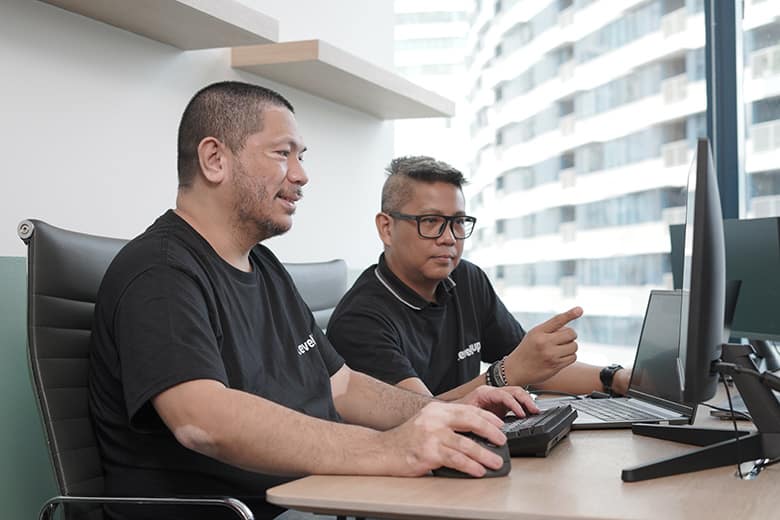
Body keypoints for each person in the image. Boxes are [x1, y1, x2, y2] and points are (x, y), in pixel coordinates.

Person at [88, 83, 537, 520]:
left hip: (308, 497)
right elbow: (202, 420)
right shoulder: (161, 273)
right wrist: (386, 448)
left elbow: (340, 385)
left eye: (300, 157)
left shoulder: (263, 267)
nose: (301, 175)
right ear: (214, 159)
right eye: (283, 153)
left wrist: (444, 413)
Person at [326, 156, 631, 402]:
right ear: (386, 228)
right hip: (405, 471)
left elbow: (533, 368)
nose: (449, 238)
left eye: (458, 222)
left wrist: (616, 378)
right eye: (431, 222)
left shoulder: (466, 279)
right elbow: (420, 418)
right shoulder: (360, 320)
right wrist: (504, 374)